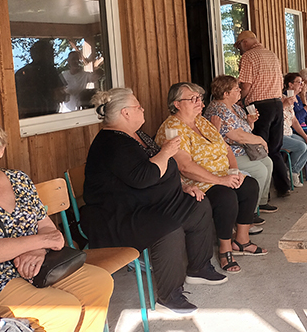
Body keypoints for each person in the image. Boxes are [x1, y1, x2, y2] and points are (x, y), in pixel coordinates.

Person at [82, 88, 224, 314]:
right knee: (168, 228)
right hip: (118, 216)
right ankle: (169, 297)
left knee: (197, 205)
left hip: (147, 204)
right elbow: (144, 176)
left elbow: (159, 172)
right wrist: (166, 152)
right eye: (138, 106)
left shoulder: (138, 135)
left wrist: (183, 186)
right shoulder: (111, 143)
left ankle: (199, 268)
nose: (143, 109)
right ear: (125, 113)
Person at [0, 119, 113, 331]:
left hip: (38, 265)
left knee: (100, 281)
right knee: (63, 311)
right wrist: (39, 242)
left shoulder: (18, 180)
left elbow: (50, 230)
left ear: (1, 150)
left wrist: (39, 250)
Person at [156, 83, 266, 265]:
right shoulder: (172, 129)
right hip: (195, 182)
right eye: (192, 99)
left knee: (249, 185)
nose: (199, 102)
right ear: (176, 104)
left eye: (199, 98)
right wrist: (221, 180)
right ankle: (225, 249)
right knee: (226, 196)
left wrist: (234, 172)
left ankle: (242, 240)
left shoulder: (202, 122)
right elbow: (185, 166)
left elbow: (227, 149)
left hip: (222, 174)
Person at [204, 76, 276, 213]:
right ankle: (251, 211)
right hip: (229, 153)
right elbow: (238, 136)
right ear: (226, 94)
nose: (240, 90)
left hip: (243, 150)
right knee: (260, 170)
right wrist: (260, 139)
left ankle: (261, 201)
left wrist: (250, 122)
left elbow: (245, 131)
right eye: (236, 88)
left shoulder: (234, 107)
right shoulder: (219, 110)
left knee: (268, 162)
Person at [236, 30, 292, 198]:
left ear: (245, 43)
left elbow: (246, 85)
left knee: (259, 149)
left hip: (260, 107)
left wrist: (239, 100)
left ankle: (263, 196)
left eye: (239, 46)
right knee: (274, 149)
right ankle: (283, 187)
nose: (239, 50)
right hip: (276, 104)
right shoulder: (271, 54)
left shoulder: (248, 57)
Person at [14, 39, 66, 118]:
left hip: (26, 119)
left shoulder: (21, 73)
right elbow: (59, 96)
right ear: (43, 53)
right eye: (51, 52)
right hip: (48, 116)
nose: (53, 55)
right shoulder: (50, 71)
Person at [281, 90, 307, 187]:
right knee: (301, 146)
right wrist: (284, 105)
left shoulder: (288, 98)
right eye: (299, 82)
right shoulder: (274, 101)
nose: (301, 85)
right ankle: (291, 172)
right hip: (279, 135)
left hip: (289, 132)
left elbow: (294, 121)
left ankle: (293, 171)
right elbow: (275, 120)